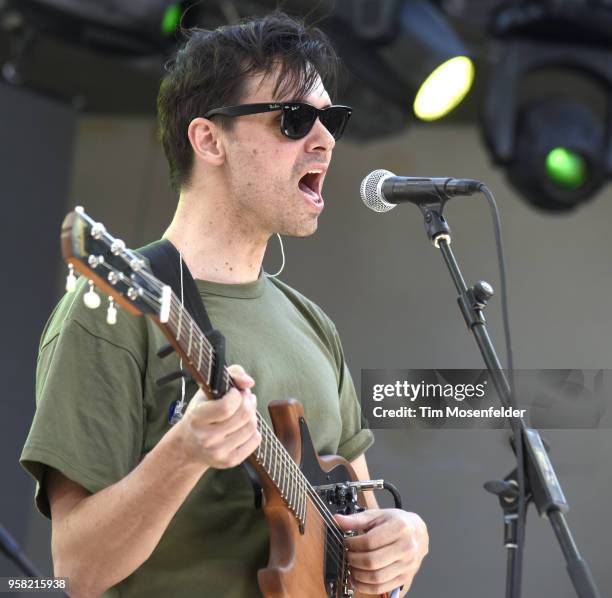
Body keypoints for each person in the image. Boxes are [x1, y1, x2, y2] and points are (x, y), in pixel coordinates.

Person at [20, 11, 428, 598]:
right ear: (209, 139)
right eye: (294, 120)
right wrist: (184, 453)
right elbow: (73, 572)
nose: (326, 140)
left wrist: (405, 539)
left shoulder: (314, 325)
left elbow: (358, 527)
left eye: (330, 119)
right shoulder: (110, 307)